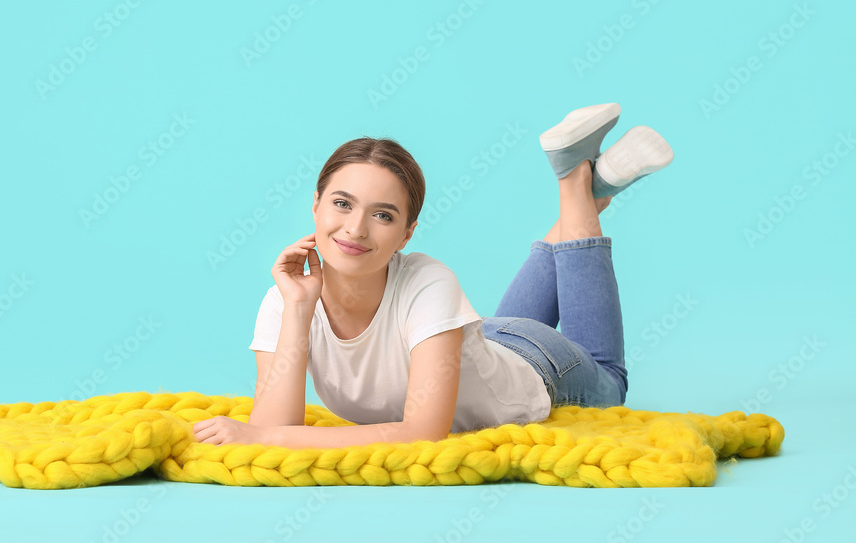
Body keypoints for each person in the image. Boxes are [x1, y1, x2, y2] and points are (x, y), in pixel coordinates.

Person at [191, 104, 673, 449]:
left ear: (406, 233)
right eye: (342, 204)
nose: (355, 229)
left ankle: (572, 181)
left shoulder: (428, 282)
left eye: (382, 215)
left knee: (610, 382)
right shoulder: (285, 298)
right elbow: (273, 429)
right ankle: (591, 189)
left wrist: (271, 436)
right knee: (488, 345)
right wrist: (299, 310)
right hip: (471, 341)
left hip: (539, 365)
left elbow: (422, 432)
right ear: (315, 206)